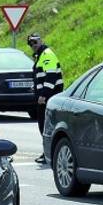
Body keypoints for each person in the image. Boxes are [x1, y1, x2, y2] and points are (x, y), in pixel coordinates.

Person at [28, 33, 63, 164]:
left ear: (41, 41)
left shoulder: (47, 54)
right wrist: (35, 87)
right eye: (30, 43)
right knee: (44, 126)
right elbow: (42, 76)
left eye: (35, 42)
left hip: (49, 97)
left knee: (46, 126)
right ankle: (48, 152)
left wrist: (44, 95)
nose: (33, 45)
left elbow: (51, 77)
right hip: (46, 96)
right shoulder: (41, 56)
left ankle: (48, 153)